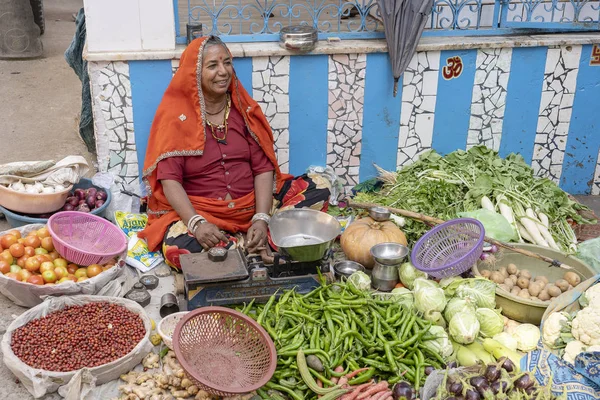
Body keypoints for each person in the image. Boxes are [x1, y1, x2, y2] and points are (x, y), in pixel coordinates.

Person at [138, 36, 331, 270]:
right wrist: (197, 224)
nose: (223, 71)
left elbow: (263, 168)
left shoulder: (243, 110)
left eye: (227, 63)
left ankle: (247, 244)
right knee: (177, 248)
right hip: (204, 213)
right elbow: (170, 182)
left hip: (254, 207)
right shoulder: (176, 117)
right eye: (212, 65)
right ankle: (265, 246)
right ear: (194, 73)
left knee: (319, 186)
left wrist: (261, 218)